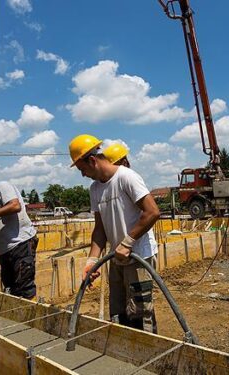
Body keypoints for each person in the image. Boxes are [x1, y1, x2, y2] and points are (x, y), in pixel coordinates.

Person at [68, 134, 161, 333]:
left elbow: (152, 211)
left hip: (138, 255)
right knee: (118, 312)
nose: (83, 175)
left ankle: (146, 356)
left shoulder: (126, 177)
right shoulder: (95, 189)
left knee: (140, 313)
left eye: (82, 169)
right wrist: (92, 261)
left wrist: (128, 242)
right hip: (117, 258)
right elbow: (100, 229)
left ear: (92, 161)